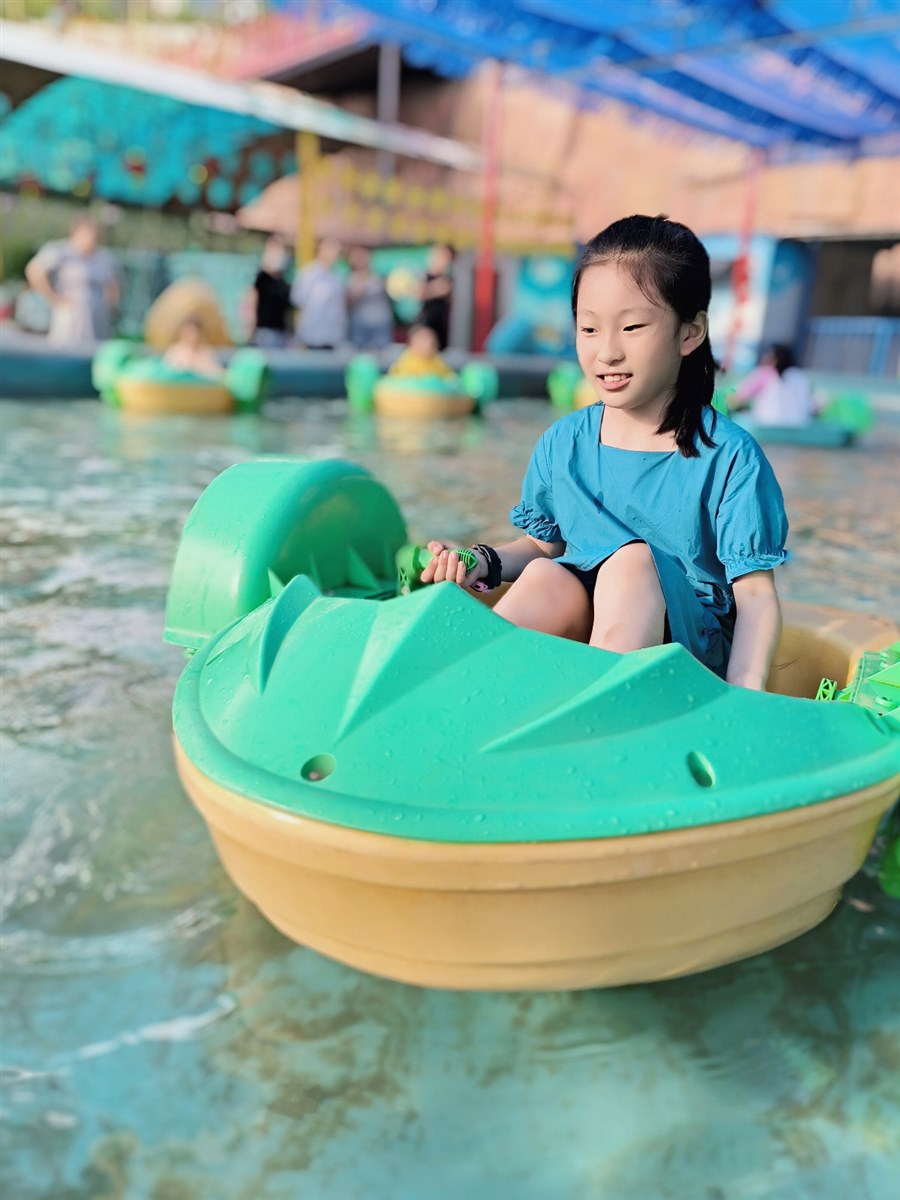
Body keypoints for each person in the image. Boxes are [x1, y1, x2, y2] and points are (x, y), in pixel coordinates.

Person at [420, 214, 788, 692]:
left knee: (629, 563)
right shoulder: (564, 442)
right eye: (589, 329)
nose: (607, 352)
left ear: (689, 332)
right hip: (590, 627)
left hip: (685, 662)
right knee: (546, 576)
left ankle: (602, 717)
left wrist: (743, 694)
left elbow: (755, 596)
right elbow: (543, 546)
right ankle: (463, 690)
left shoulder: (730, 457)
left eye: (631, 327)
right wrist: (479, 560)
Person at [25, 214, 119, 346]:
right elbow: (34, 270)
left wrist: (111, 306)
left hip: (96, 317)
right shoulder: (61, 251)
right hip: (71, 317)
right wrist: (53, 297)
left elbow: (112, 284)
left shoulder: (104, 257)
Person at [732, 344, 815, 427]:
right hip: (799, 426)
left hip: (766, 425)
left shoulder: (766, 373)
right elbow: (813, 405)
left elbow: (738, 396)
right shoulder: (801, 376)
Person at [290, 237, 347, 350]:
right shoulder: (310, 273)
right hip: (312, 335)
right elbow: (297, 299)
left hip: (332, 336)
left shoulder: (337, 277)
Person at [347, 246, 394, 350]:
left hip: (380, 325)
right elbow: (348, 304)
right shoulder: (350, 279)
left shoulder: (379, 276)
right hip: (360, 326)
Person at [250, 236, 292, 349]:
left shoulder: (283, 281)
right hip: (264, 333)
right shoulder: (261, 278)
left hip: (281, 334)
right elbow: (251, 303)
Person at [416, 243, 454, 350]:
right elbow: (419, 293)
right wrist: (435, 289)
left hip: (441, 326)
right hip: (425, 324)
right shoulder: (424, 275)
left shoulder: (448, 279)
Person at [388, 323, 456, 378]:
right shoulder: (407, 361)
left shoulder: (437, 360)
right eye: (423, 340)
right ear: (412, 343)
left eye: (432, 340)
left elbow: (448, 376)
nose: (429, 343)